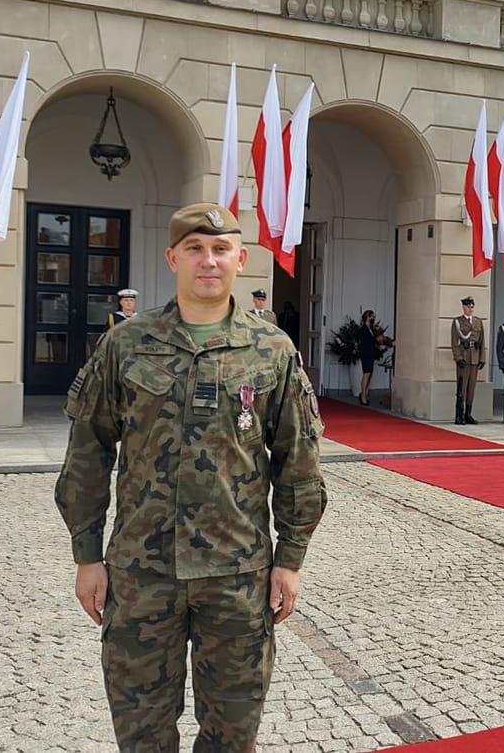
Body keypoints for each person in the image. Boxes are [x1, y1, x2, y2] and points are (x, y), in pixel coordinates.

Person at [56, 201, 326, 753]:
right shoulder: (126, 344)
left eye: (221, 249)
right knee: (141, 732)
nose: (209, 260)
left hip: (238, 574)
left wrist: (291, 560)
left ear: (241, 259)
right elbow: (88, 453)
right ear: (172, 257)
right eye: (196, 249)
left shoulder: (271, 350)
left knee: (233, 733)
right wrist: (87, 555)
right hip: (141, 573)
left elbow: (298, 461)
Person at [449, 296, 486, 425]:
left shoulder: (478, 322)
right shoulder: (458, 322)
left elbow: (482, 342)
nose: (470, 309)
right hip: (464, 358)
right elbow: (454, 342)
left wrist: (482, 358)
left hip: (474, 358)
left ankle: (468, 414)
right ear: (463, 307)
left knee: (471, 388)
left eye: (472, 307)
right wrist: (458, 357)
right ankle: (459, 415)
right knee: (462, 388)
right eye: (468, 307)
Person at [356, 309, 387, 406]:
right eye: (371, 317)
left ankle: (364, 393)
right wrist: (376, 339)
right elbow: (366, 341)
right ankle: (363, 397)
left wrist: (379, 339)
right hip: (366, 353)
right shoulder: (363, 329)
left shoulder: (372, 329)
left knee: (370, 375)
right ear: (367, 317)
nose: (373, 318)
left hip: (371, 353)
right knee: (366, 374)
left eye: (374, 317)